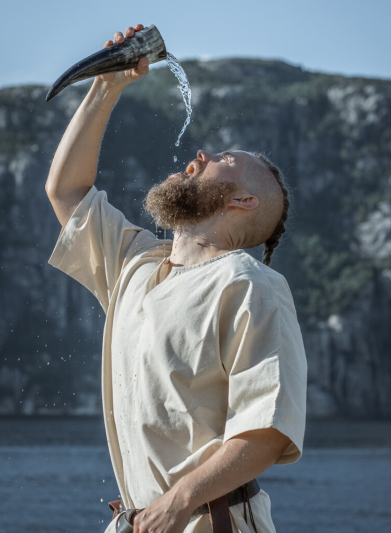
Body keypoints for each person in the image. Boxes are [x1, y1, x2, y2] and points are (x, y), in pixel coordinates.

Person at [45, 23, 308, 533]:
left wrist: (179, 501)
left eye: (224, 161)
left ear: (242, 202)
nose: (203, 154)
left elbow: (268, 429)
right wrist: (108, 85)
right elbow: (67, 191)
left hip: (209, 521)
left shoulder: (248, 283)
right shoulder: (137, 264)